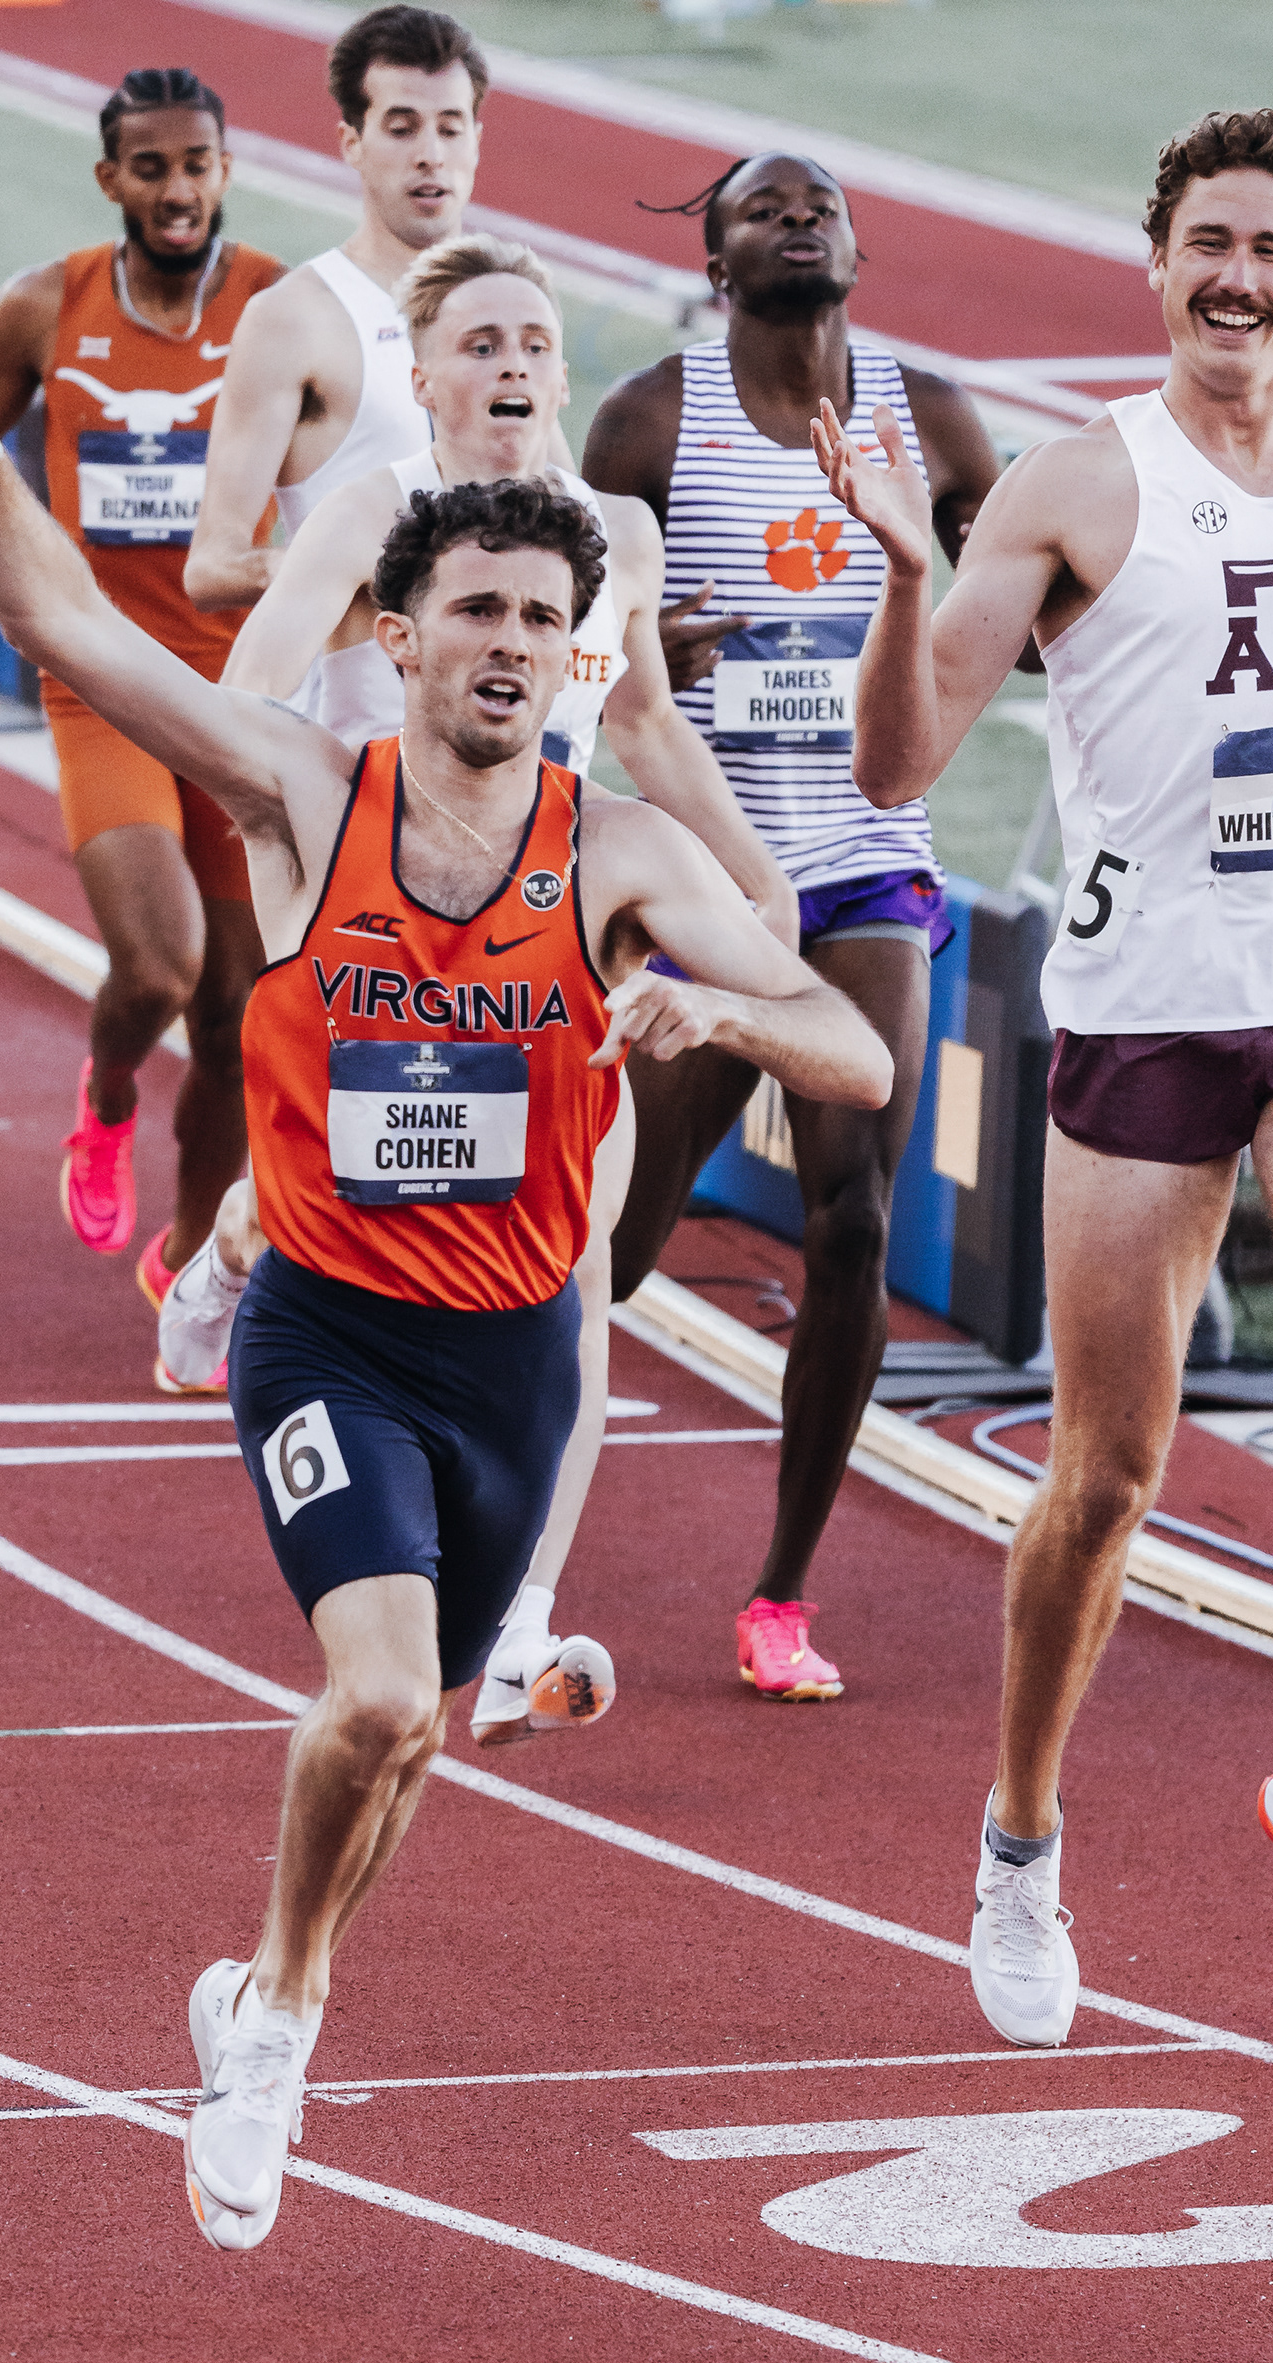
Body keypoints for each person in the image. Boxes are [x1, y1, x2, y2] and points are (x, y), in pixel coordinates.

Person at [0, 270, 893, 2249]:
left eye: (541, 618)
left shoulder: (618, 855)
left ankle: (270, 1987)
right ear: (403, 637)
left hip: (517, 1363)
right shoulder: (307, 790)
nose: (508, 644)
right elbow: (73, 629)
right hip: (332, 1336)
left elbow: (853, 1049)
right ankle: (276, 2025)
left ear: (578, 649)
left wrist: (725, 1014)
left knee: (413, 1737)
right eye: (475, 612)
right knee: (375, 1700)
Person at [819, 109, 1273, 2045]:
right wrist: (900, 575)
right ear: (1156, 265)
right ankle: (1019, 1844)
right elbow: (899, 762)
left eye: (1271, 248)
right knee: (1105, 1479)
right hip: (1149, 1008)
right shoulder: (1079, 481)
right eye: (1207, 244)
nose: (1237, 277)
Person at [177, 231, 797, 1748]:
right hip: (380, 926)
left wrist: (749, 871)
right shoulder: (373, 511)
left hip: (556, 942)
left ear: (563, 371)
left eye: (533, 341)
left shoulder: (618, 534)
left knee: (575, 1271)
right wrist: (377, 683)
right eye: (479, 343)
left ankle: (518, 1623)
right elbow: (245, 690)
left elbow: (643, 722)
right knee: (334, 1200)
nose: (512, 365)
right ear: (424, 372)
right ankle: (234, 1246)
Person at [582, 152, 1015, 1704]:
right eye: (762, 210)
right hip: (710, 883)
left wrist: (955, 594)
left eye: (818, 204)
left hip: (867, 867)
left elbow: (1022, 620)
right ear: (716, 265)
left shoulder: (931, 418)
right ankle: (479, 1468)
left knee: (855, 1215)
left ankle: (781, 1594)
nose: (796, 220)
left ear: (857, 247)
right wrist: (653, 649)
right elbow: (575, 649)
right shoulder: (648, 422)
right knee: (617, 1250)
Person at [0, 70, 281, 1360]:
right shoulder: (46, 306)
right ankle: (106, 1097)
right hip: (104, 680)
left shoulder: (280, 308)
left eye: (197, 163)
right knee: (159, 969)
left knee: (237, 1020)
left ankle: (191, 1263)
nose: (178, 189)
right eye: (151, 167)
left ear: (225, 170)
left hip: (243, 695)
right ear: (111, 181)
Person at [183, 4, 485, 614]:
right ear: (352, 143)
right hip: (351, 677)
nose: (430, 153)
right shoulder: (294, 319)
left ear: (477, 139)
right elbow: (211, 568)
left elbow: (564, 507)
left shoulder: (514, 306)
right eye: (402, 128)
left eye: (450, 128)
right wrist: (349, 564)